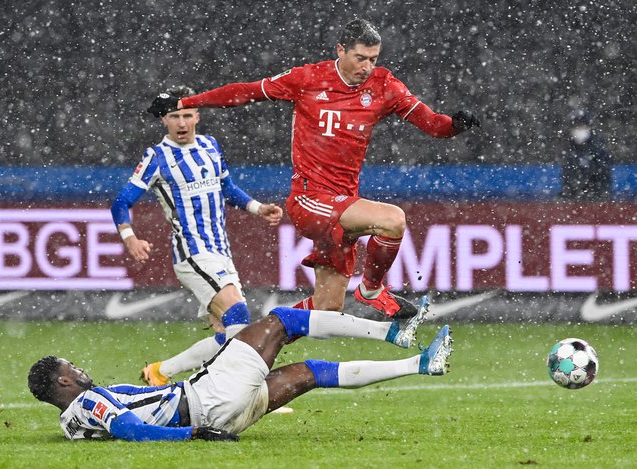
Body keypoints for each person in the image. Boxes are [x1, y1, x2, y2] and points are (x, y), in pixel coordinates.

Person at [148, 19, 480, 318]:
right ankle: (372, 289)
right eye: (360, 58)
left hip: (343, 203)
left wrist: (454, 126)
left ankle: (253, 342)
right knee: (392, 220)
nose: (367, 67)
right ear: (341, 50)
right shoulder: (307, 78)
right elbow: (247, 92)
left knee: (325, 308)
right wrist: (185, 103)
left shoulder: (384, 86)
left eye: (373, 59)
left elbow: (432, 124)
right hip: (309, 200)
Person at [28, 306, 453, 441]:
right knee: (283, 321)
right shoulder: (89, 401)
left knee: (310, 372)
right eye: (74, 369)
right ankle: (395, 333)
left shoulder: (71, 425)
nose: (81, 370)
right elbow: (133, 431)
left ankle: (422, 363)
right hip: (205, 401)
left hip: (221, 413)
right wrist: (194, 435)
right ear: (64, 382)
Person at [111, 85, 283, 386]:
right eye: (174, 116)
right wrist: (130, 238)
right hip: (192, 253)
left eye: (187, 115)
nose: (181, 123)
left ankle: (161, 372)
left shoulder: (210, 147)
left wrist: (258, 208)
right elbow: (121, 202)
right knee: (239, 315)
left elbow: (227, 189)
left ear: (197, 116)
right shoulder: (156, 157)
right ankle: (242, 390)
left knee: (231, 335)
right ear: (164, 121)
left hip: (220, 251)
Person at [561, 109, 612, 200]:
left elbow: (603, 177)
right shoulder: (569, 148)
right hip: (574, 199)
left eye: (582, 127)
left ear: (589, 128)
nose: (578, 131)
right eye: (576, 127)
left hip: (595, 199)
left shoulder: (598, 148)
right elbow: (567, 177)